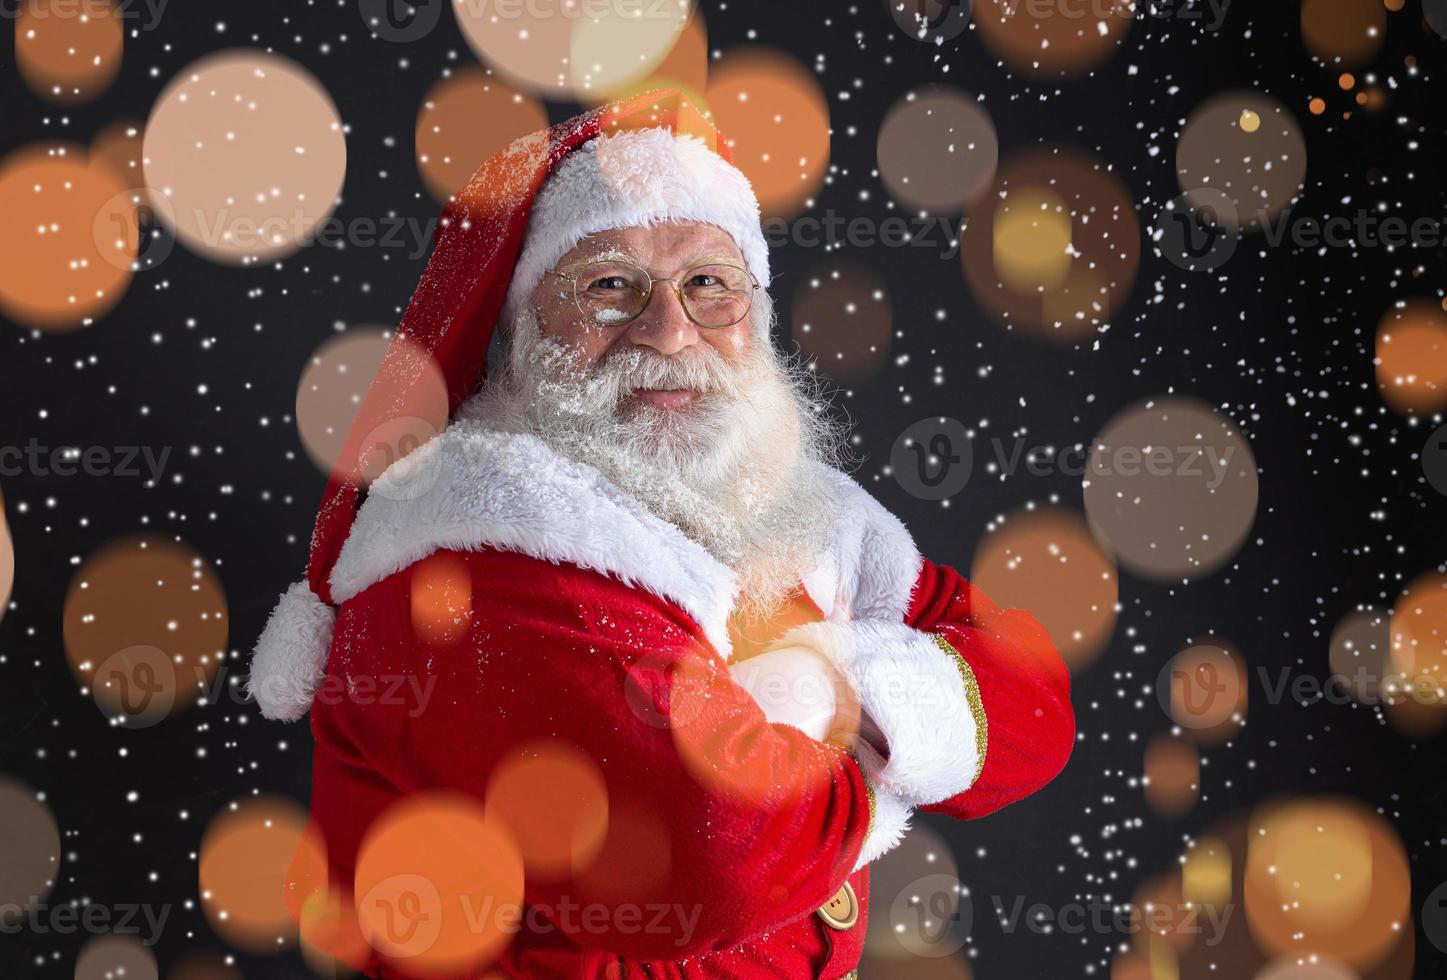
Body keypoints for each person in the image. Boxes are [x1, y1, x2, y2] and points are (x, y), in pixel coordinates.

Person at [249, 90, 1074, 979]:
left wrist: (826, 681)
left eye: (707, 285)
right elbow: (715, 851)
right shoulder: (473, 553)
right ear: (520, 327)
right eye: (609, 285)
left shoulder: (804, 512)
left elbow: (1030, 692)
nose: (668, 330)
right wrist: (882, 731)